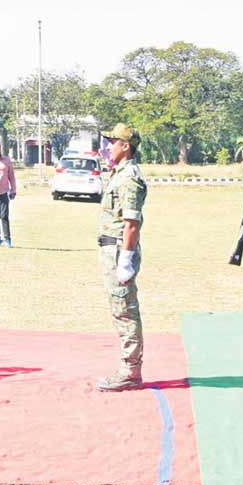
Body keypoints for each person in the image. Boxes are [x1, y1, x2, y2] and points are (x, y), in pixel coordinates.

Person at [96, 123, 146, 392]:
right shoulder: (118, 173)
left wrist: (125, 259)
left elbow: (131, 223)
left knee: (125, 310)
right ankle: (129, 368)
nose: (108, 146)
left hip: (119, 249)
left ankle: (130, 371)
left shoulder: (129, 177)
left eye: (112, 142)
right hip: (111, 248)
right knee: (119, 310)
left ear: (125, 146)